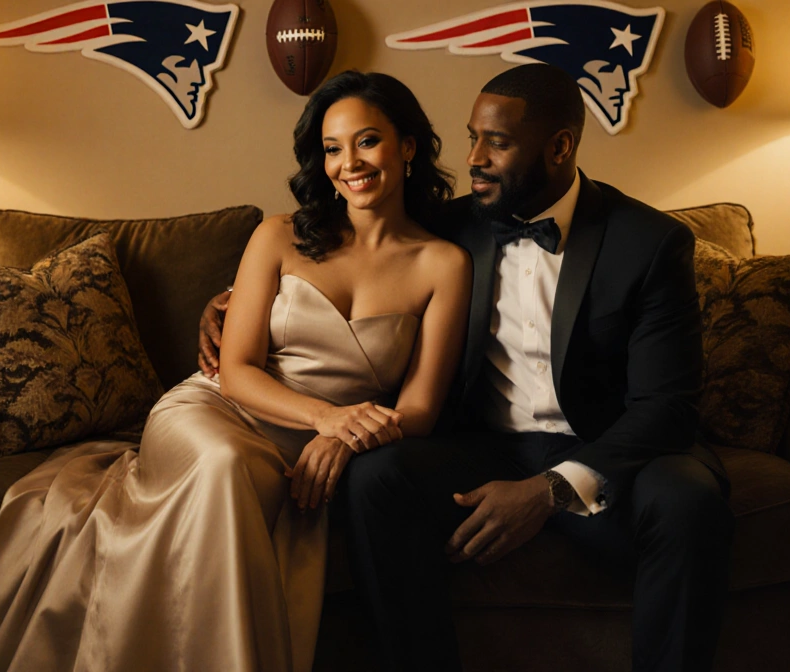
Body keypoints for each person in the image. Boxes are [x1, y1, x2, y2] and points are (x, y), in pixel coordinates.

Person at [199, 64, 733, 672]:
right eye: (472, 136)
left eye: (497, 142)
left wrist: (550, 490)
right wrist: (225, 304)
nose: (474, 157)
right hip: (486, 447)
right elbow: (351, 253)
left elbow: (667, 408)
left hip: (607, 447)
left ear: (560, 147)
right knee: (378, 478)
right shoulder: (450, 227)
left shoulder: (649, 242)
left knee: (689, 502)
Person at [0, 70, 470, 672]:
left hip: (311, 443)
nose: (349, 162)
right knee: (223, 463)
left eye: (367, 141)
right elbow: (238, 370)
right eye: (331, 148)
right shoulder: (278, 235)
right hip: (216, 410)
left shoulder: (444, 264)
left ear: (407, 146)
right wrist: (330, 417)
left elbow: (421, 409)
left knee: (243, 473)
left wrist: (341, 441)